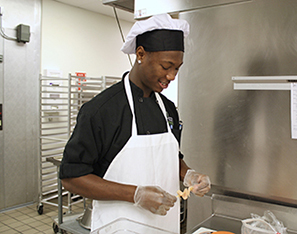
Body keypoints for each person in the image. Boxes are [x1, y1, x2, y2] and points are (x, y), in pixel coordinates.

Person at [59, 14, 211, 233]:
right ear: (140, 54)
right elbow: (72, 177)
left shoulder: (168, 109)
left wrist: (188, 175)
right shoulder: (100, 111)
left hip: (164, 226)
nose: (172, 75)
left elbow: (171, 157)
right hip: (120, 226)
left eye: (177, 68)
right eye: (166, 66)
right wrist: (135, 194)